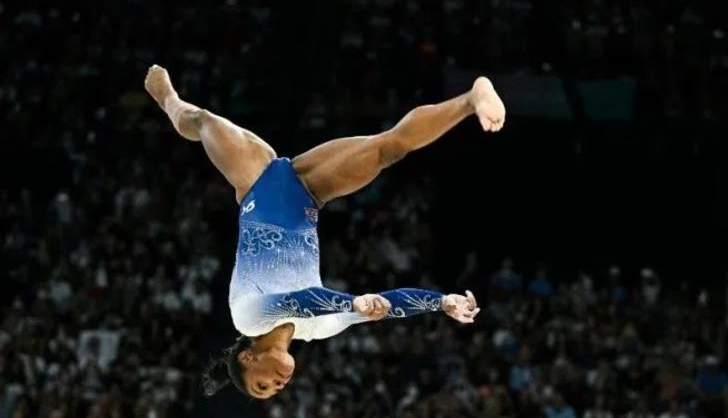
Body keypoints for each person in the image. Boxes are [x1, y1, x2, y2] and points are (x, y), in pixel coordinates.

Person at [144, 65, 506, 399]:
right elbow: (386, 305)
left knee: (203, 120)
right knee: (386, 148)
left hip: (254, 183)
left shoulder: (248, 317)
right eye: (273, 391)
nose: (278, 385)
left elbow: (295, 301)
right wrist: (441, 303)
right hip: (308, 195)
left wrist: (352, 303)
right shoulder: (320, 328)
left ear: (247, 359)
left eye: (262, 385)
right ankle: (470, 100)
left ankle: (168, 98)